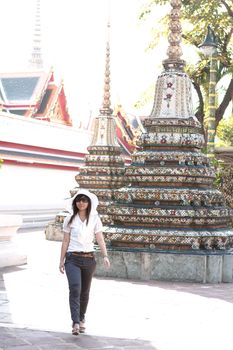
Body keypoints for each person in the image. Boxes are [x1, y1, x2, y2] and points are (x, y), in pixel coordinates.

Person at [59, 189, 110, 335]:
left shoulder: (95, 219)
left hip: (89, 259)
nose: (81, 203)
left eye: (84, 200)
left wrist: (105, 255)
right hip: (72, 258)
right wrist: (61, 260)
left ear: (89, 203)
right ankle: (75, 322)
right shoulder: (69, 219)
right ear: (75, 203)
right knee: (75, 288)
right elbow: (65, 241)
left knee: (85, 292)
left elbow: (100, 238)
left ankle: (81, 318)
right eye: (79, 200)